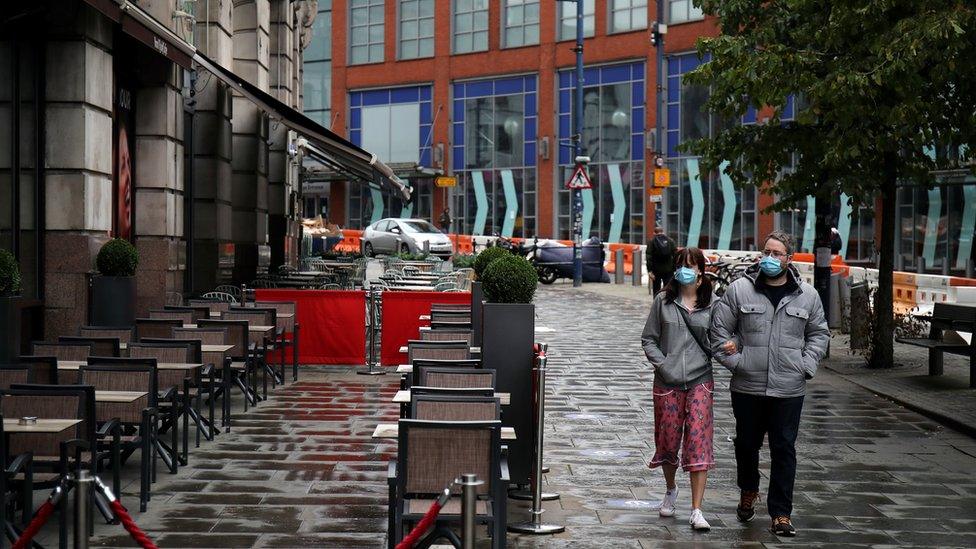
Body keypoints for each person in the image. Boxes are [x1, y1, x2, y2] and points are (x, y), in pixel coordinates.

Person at [709, 231, 830, 537]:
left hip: (789, 388)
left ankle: (781, 513)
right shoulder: (739, 290)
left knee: (784, 449)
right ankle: (748, 490)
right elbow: (719, 332)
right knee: (746, 445)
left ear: (789, 259)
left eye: (777, 253)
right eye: (767, 252)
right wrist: (739, 362)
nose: (770, 258)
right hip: (747, 387)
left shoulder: (808, 296)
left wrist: (806, 365)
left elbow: (819, 334)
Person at [641, 247, 734, 531]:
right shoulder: (663, 301)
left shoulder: (714, 305)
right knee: (668, 441)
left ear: (701, 272)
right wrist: (663, 365)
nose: (685, 270)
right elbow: (648, 339)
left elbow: (720, 340)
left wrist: (732, 346)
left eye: (691, 266)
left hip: (700, 382)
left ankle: (696, 509)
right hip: (667, 383)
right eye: (681, 265)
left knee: (698, 441)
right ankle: (670, 489)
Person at [648, 227, 677, 294]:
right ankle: (667, 302)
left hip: (656, 269)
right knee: (668, 288)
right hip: (669, 269)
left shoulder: (651, 242)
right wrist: (674, 267)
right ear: (663, 232)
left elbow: (649, 257)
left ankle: (657, 302)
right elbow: (676, 255)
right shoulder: (670, 241)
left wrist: (650, 270)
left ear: (654, 233)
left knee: (656, 288)